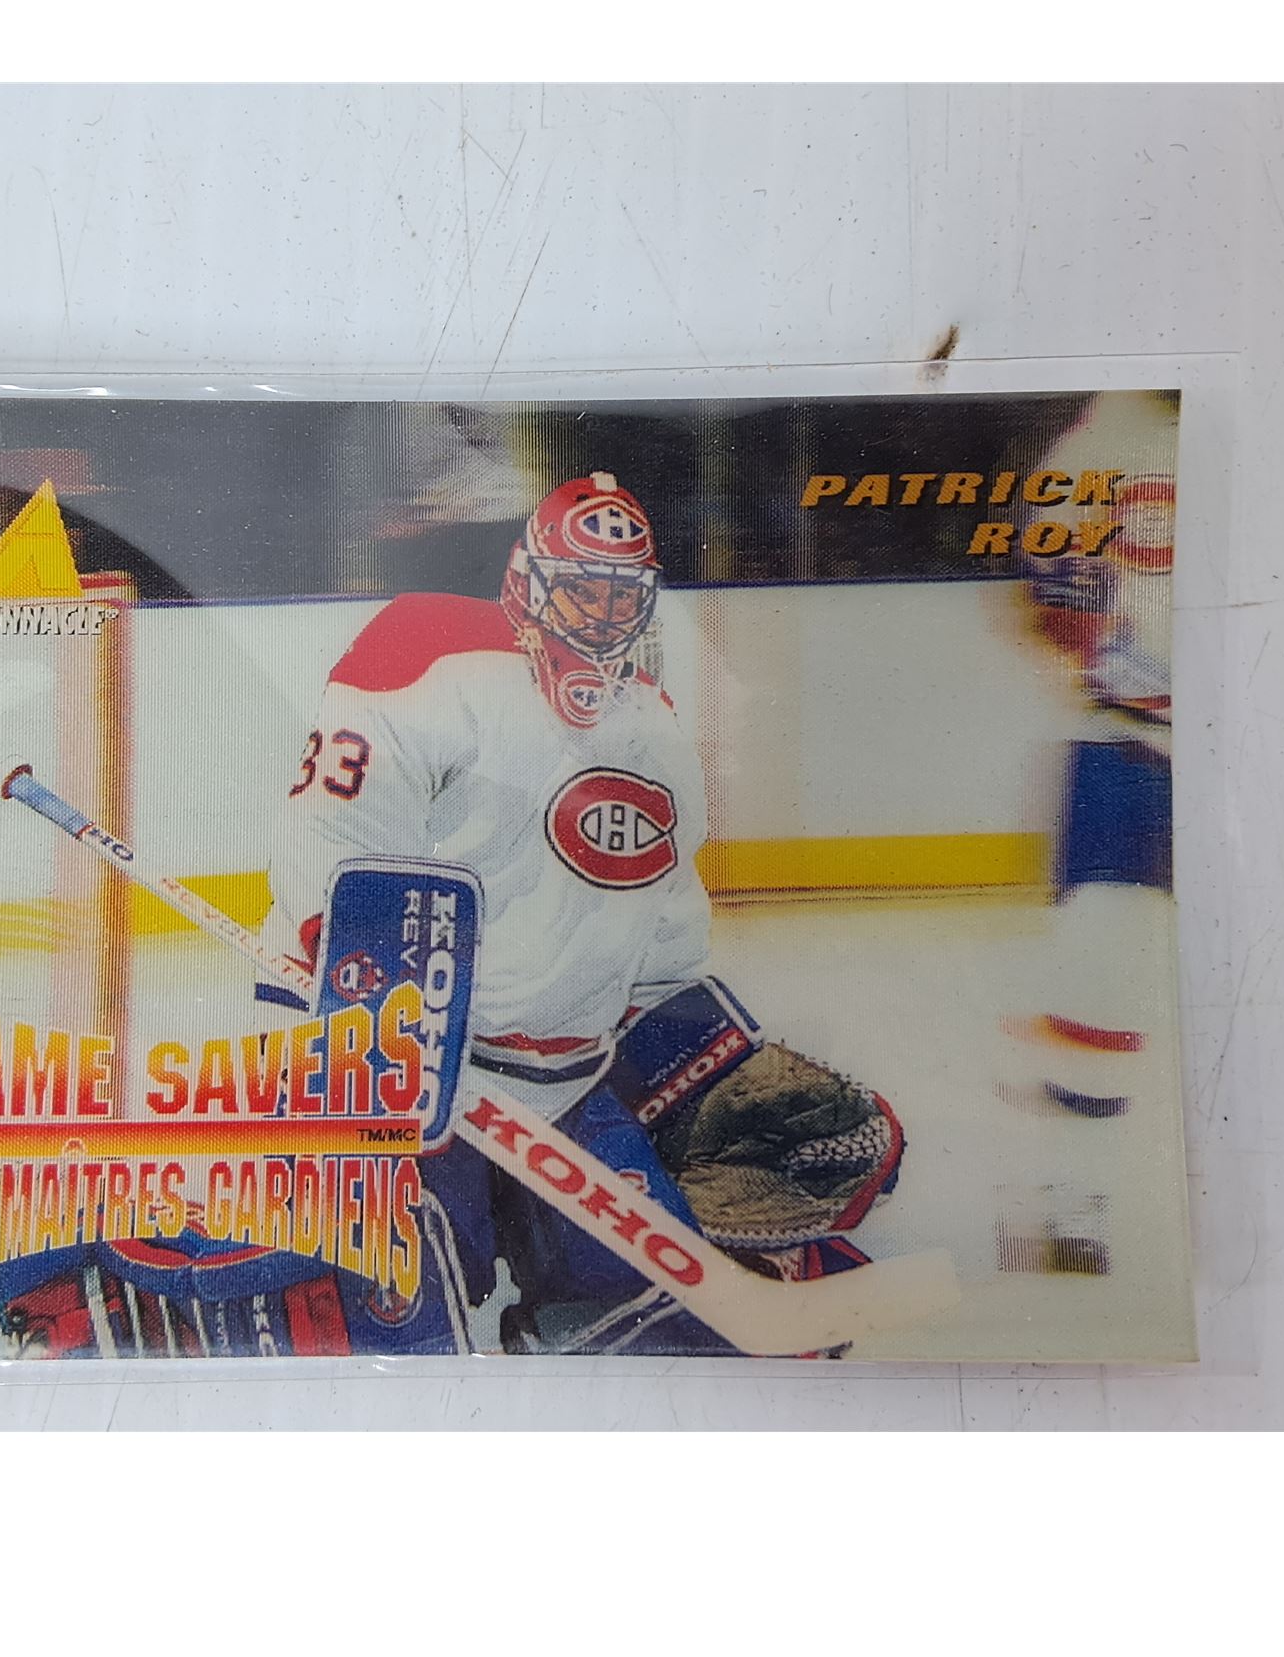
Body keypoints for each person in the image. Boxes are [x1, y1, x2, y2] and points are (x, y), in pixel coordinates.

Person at [261, 472, 906, 1353]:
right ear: (527, 582)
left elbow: (663, 927)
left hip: (560, 1090)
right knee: (401, 1324)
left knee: (645, 1326)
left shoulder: (654, 729)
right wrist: (371, 1030)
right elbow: (332, 846)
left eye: (620, 597)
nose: (600, 617)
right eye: (580, 590)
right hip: (394, 1076)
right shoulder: (424, 658)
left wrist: (697, 1064)